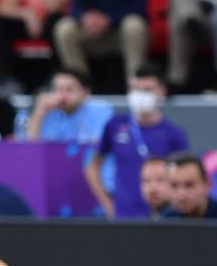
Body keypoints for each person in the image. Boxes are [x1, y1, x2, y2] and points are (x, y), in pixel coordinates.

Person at [86, 65, 189, 218]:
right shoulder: (115, 125)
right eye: (135, 89)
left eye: (147, 90)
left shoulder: (173, 134)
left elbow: (184, 176)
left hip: (162, 218)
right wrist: (107, 204)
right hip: (123, 216)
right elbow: (92, 165)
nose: (140, 96)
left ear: (162, 92)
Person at [25, 69, 114, 145]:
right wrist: (38, 113)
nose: (62, 96)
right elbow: (32, 147)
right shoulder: (48, 112)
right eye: (57, 89)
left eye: (69, 90)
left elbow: (97, 147)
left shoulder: (100, 110)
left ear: (86, 93)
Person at [162, 152, 217, 219]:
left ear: (207, 184)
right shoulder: (165, 220)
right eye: (174, 186)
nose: (181, 195)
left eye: (189, 185)